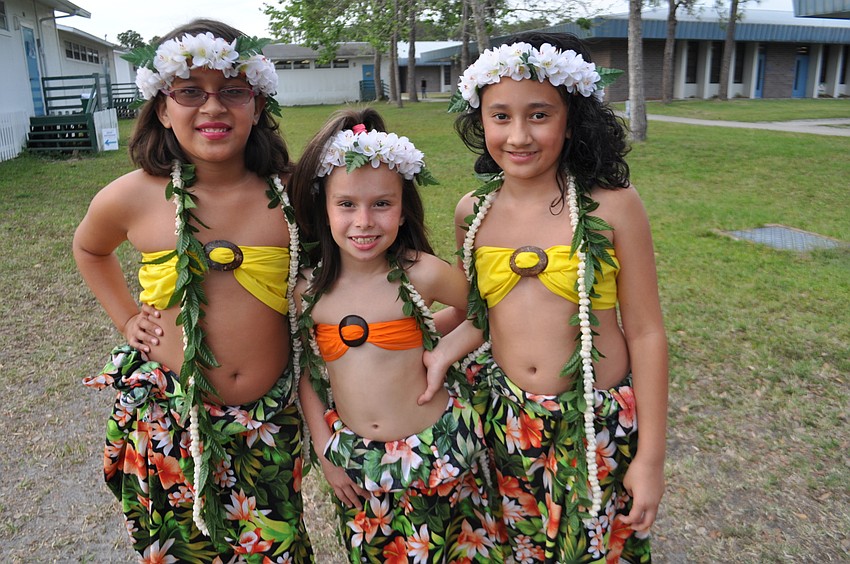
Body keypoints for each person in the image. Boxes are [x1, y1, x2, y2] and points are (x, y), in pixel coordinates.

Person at [72, 19, 314, 561]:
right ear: (161, 106)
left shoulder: (294, 193)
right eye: (189, 92)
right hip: (168, 417)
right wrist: (125, 317)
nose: (213, 107)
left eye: (233, 90)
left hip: (268, 420)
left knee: (273, 547)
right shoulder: (132, 197)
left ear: (257, 103)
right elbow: (90, 249)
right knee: (179, 550)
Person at [446, 31, 668, 563]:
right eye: (500, 116)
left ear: (573, 120)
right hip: (507, 426)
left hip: (597, 427)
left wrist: (651, 459)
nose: (518, 135)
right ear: (480, 119)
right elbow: (469, 311)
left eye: (539, 114)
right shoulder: (471, 213)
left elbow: (646, 332)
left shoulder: (614, 206)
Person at [290, 108, 503, 563]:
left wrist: (438, 345)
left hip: (436, 450)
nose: (364, 221)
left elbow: (484, 312)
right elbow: (306, 370)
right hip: (358, 464)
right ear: (322, 206)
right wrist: (325, 450)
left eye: (381, 204)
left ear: (403, 207)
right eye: (346, 204)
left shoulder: (420, 272)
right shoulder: (309, 290)